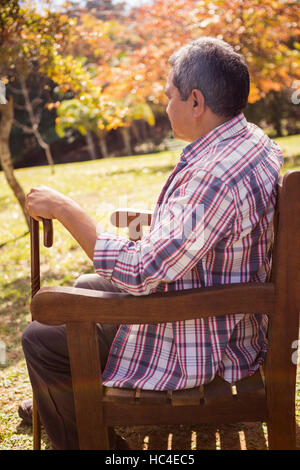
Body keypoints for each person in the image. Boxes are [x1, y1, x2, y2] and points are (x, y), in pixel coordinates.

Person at [20, 37, 283, 450]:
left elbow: (143, 273)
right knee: (84, 286)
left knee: (41, 335)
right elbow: (200, 229)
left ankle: (91, 444)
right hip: (223, 312)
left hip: (205, 342)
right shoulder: (250, 142)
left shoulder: (214, 175)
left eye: (168, 96)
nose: (164, 106)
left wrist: (67, 210)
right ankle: (62, 397)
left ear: (196, 102)